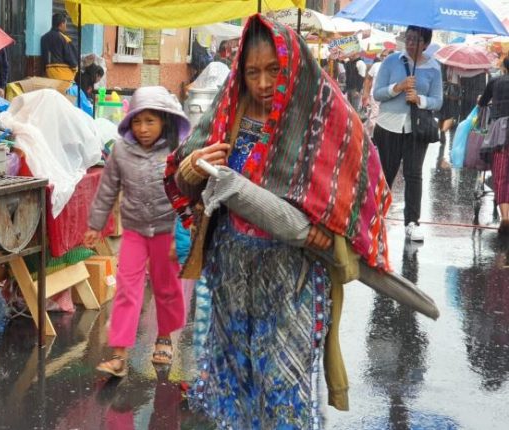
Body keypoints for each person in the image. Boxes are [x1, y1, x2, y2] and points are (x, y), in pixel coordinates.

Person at [165, 15, 391, 428]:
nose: (264, 83)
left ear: (292, 64)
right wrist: (194, 167)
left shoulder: (321, 109)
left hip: (293, 275)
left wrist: (331, 228)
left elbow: (363, 176)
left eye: (274, 70)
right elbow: (183, 179)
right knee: (236, 375)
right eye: (253, 72)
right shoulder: (228, 108)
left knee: (282, 382)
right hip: (231, 269)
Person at [84, 86, 191, 378]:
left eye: (150, 121)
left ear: (164, 122)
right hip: (134, 231)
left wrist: (185, 233)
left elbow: (189, 192)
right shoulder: (121, 151)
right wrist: (95, 224)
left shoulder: (177, 152)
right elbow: (107, 189)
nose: (143, 129)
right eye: (137, 121)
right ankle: (119, 355)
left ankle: (165, 337)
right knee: (127, 290)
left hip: (166, 230)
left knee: (166, 287)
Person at [373, 25, 443, 242]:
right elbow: (377, 94)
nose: (411, 43)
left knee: (414, 175)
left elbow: (437, 101)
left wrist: (419, 99)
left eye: (416, 40)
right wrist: (398, 87)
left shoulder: (434, 68)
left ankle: (412, 222)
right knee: (384, 174)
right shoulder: (391, 61)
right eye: (408, 38)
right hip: (388, 126)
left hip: (416, 129)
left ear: (426, 44)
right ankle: (374, 217)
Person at [478, 57, 509, 234]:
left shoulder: (496, 81)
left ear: (504, 66)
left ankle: (505, 216)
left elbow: (482, 102)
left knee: (501, 175)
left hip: (501, 132)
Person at [40, 13, 79, 81]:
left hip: (49, 74)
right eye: (65, 24)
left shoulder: (43, 38)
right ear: (61, 24)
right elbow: (71, 57)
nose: (66, 26)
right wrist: (75, 67)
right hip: (64, 75)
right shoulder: (64, 39)